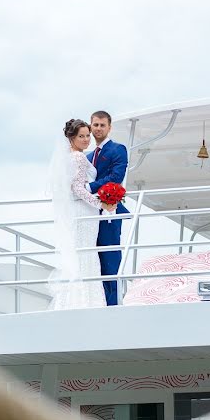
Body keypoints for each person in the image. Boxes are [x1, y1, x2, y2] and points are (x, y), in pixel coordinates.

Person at [47, 119, 116, 310]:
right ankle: (87, 302)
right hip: (84, 209)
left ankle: (73, 301)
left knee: (80, 253)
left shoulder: (69, 158)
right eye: (81, 136)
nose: (86, 139)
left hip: (79, 210)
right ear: (71, 138)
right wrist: (100, 203)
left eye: (87, 135)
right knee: (86, 253)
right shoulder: (77, 157)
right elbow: (77, 188)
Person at [87, 111, 129, 306]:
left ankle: (113, 303)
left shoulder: (118, 149)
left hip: (109, 210)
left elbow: (115, 177)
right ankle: (98, 301)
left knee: (110, 258)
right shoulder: (87, 156)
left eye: (102, 125)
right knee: (92, 259)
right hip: (88, 212)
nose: (98, 129)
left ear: (109, 127)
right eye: (95, 125)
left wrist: (90, 187)